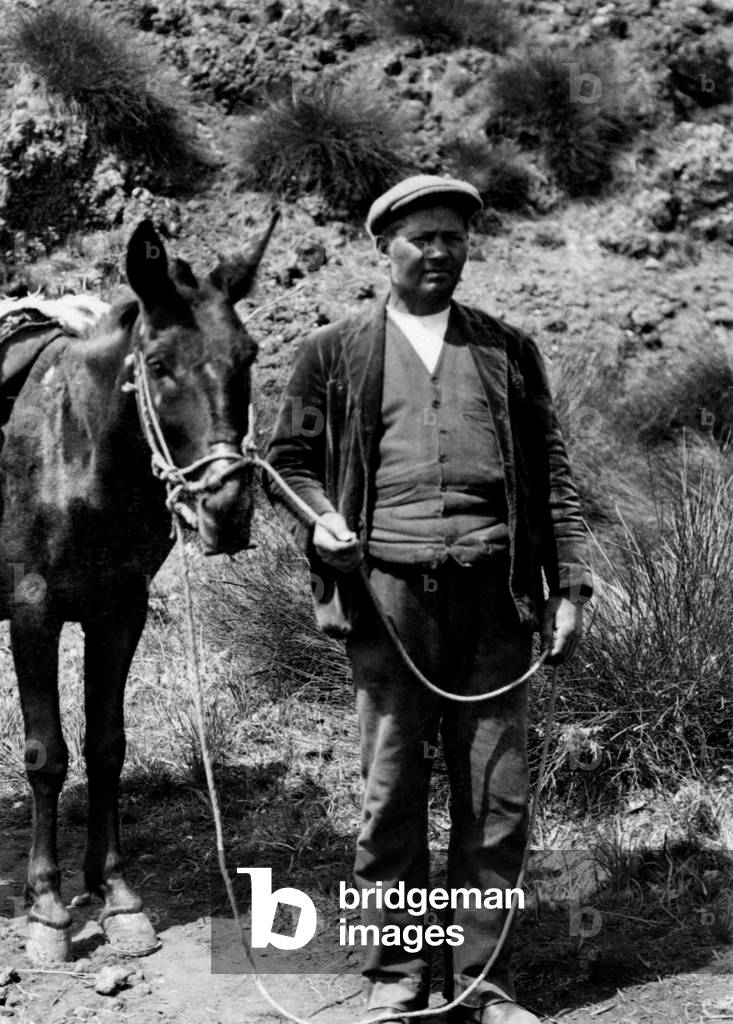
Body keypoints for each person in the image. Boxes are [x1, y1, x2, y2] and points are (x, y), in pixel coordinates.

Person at [265, 175, 593, 1024]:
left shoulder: (508, 351)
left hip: (495, 601)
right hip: (385, 601)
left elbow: (552, 479)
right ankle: (397, 980)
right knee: (390, 793)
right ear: (385, 247)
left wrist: (570, 588)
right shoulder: (332, 351)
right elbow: (286, 462)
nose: (440, 252)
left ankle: (484, 984)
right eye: (422, 239)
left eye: (454, 237)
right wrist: (325, 522)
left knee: (497, 798)